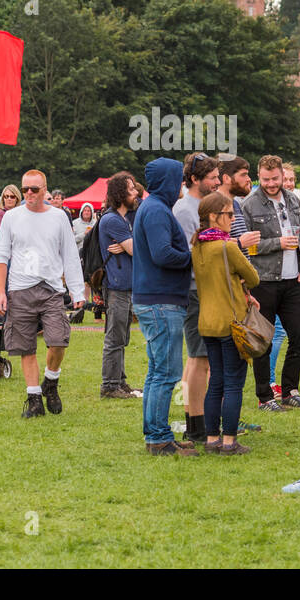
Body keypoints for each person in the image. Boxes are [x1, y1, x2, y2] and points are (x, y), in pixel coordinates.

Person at [0, 169, 85, 420]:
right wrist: (0, 292)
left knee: (58, 340)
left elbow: (69, 254)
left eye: (34, 189)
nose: (29, 194)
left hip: (51, 289)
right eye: (25, 189)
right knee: (26, 347)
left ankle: (51, 381)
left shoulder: (58, 217)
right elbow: (1, 256)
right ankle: (34, 398)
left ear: (45, 189)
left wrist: (77, 289)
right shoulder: (11, 217)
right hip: (20, 288)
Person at [130, 158, 194, 453]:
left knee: (158, 371)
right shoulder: (156, 209)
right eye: (178, 178)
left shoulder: (154, 207)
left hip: (155, 299)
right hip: (161, 301)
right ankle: (158, 437)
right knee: (166, 373)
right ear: (167, 180)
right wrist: (192, 255)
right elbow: (162, 254)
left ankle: (156, 434)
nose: (181, 183)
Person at [191, 191, 259, 455]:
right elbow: (253, 278)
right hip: (231, 324)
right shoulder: (228, 246)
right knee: (233, 384)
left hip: (207, 322)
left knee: (216, 382)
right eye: (229, 214)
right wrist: (241, 283)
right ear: (213, 216)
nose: (233, 219)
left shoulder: (197, 245)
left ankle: (211, 439)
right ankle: (229, 441)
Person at [242, 155, 300, 410]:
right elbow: (246, 245)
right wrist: (276, 244)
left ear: (283, 175)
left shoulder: (292, 199)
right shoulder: (249, 204)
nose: (271, 184)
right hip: (264, 280)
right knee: (264, 341)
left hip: (293, 280)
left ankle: (290, 390)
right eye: (265, 179)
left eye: (275, 178)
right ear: (259, 177)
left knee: (299, 337)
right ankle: (265, 397)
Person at [174, 153, 220, 445]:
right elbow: (193, 253)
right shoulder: (184, 209)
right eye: (213, 177)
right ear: (194, 179)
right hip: (194, 289)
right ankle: (197, 424)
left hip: (203, 288)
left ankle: (196, 421)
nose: (218, 181)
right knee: (200, 358)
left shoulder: (200, 205)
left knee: (197, 357)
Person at [98, 171, 140, 398]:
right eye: (131, 189)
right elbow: (137, 250)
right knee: (114, 337)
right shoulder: (112, 219)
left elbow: (134, 246)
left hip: (125, 285)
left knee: (122, 337)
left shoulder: (125, 218)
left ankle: (120, 381)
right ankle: (110, 385)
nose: (135, 193)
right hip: (116, 286)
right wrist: (129, 246)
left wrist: (127, 245)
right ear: (119, 194)